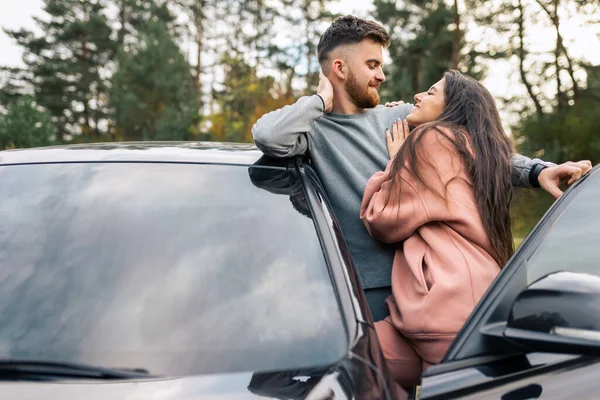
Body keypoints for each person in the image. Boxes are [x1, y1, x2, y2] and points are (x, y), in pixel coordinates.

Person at [252, 15, 592, 321]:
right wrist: (321, 101)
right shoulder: (309, 129)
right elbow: (268, 135)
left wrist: (536, 171)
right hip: (356, 287)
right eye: (372, 65)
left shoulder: (399, 118)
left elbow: (475, 150)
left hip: (422, 282)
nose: (381, 75)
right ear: (340, 69)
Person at [361, 70, 515, 386]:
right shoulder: (481, 151)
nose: (418, 96)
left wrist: (397, 159)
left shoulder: (431, 139)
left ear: (452, 107)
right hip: (479, 300)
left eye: (431, 93)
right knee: (356, 361)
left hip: (444, 305)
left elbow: (383, 218)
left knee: (344, 361)